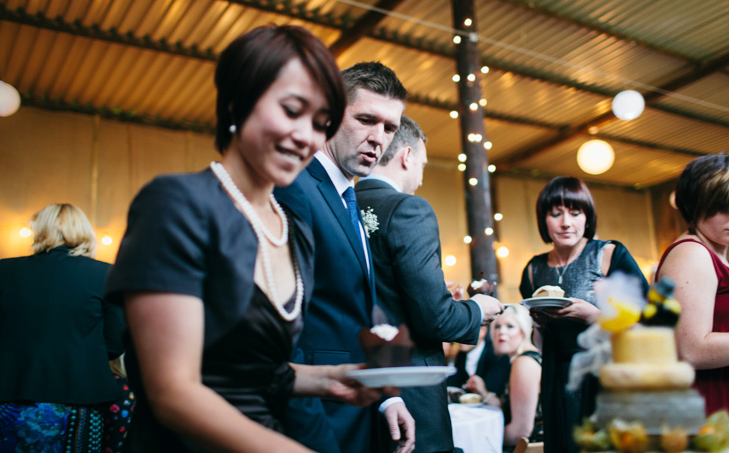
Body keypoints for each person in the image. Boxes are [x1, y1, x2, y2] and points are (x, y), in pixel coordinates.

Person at [106, 25, 387, 452]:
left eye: (320, 123)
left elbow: (259, 372)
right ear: (239, 100)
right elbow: (172, 393)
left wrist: (333, 380)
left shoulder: (293, 228)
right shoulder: (178, 204)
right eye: (292, 111)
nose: (306, 136)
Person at [275, 60, 405, 453]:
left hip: (356, 408)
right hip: (317, 415)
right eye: (366, 119)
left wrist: (387, 394)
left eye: (390, 127)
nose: (378, 138)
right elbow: (286, 326)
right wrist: (311, 430)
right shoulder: (296, 188)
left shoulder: (350, 198)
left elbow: (360, 309)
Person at [355, 114, 505, 453]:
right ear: (407, 156)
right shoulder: (409, 209)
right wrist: (475, 309)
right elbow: (433, 318)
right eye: (422, 164)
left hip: (360, 382)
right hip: (411, 386)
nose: (420, 179)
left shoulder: (343, 205)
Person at [517, 176, 648, 452]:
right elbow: (540, 344)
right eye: (556, 214)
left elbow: (647, 327)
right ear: (544, 220)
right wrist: (539, 324)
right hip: (557, 379)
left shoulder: (609, 254)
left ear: (587, 216)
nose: (566, 223)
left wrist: (593, 315)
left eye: (576, 213)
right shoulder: (533, 269)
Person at [0, 203, 131, 453]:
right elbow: (116, 341)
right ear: (84, 231)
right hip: (81, 397)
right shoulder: (107, 275)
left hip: (10, 395)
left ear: (40, 230)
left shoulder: (3, 270)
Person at [656, 154, 729, 446]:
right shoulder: (692, 253)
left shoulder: (715, 251)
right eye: (725, 207)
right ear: (694, 207)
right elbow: (691, 350)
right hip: (711, 400)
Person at [462, 304, 543, 446]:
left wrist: (481, 442)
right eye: (497, 326)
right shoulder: (520, 359)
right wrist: (484, 393)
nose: (501, 332)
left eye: (510, 326)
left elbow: (521, 431)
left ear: (524, 331)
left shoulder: (524, 362)